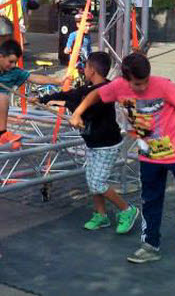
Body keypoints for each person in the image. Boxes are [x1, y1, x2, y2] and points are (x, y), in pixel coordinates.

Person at [69, 52, 175, 266]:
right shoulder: (118, 87)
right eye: (137, 84)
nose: (142, 87)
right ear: (126, 80)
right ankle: (150, 245)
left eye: (145, 81)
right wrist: (78, 112)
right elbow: (96, 95)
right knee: (151, 200)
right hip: (150, 155)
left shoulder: (163, 86)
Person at [31, 52, 139, 233]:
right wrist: (43, 99)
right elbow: (71, 95)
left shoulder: (106, 91)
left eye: (86, 67)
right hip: (93, 143)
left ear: (93, 70)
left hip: (107, 144)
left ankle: (127, 210)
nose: (84, 69)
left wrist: (67, 107)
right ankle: (101, 215)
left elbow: (89, 112)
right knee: (92, 181)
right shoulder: (88, 87)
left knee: (98, 183)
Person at [0, 40, 62, 147]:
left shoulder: (15, 72)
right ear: (0, 57)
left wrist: (58, 81)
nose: (13, 65)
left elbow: (35, 78)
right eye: (10, 61)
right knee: (3, 97)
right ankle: (3, 133)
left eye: (15, 62)